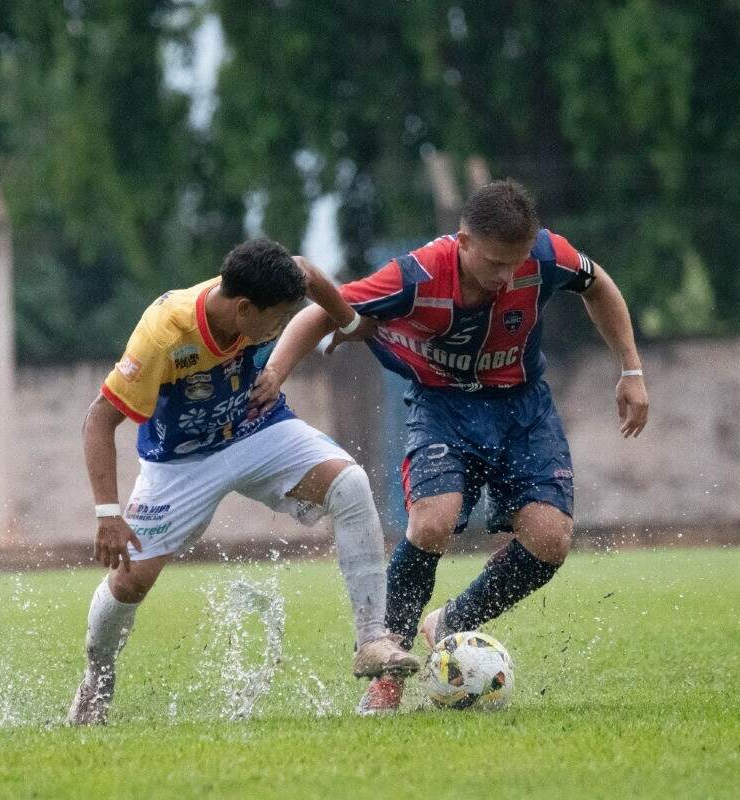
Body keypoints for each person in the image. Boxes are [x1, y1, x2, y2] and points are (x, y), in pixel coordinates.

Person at [250, 179, 650, 713]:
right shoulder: (417, 274)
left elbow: (598, 284)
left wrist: (631, 368)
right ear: (462, 241)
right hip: (443, 407)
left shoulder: (549, 255)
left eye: (515, 262)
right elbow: (323, 308)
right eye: (493, 264)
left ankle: (450, 623)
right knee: (432, 522)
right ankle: (387, 668)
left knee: (551, 540)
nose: (506, 277)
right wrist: (276, 371)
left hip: (523, 409)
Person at [67, 238, 419, 725]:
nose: (280, 327)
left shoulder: (271, 283)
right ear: (244, 308)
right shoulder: (165, 333)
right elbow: (98, 421)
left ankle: (372, 639)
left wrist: (350, 323)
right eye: (275, 319)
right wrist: (107, 514)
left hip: (257, 427)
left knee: (351, 484)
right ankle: (96, 684)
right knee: (129, 584)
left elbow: (310, 275)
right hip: (181, 461)